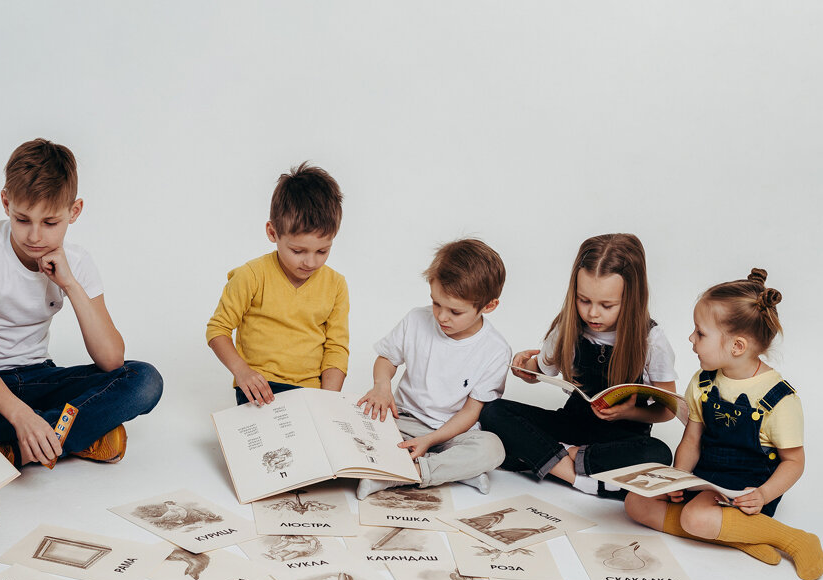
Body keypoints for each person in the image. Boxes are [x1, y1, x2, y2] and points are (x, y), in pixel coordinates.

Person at [0, 139, 163, 480]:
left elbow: (111, 360)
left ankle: (14, 449)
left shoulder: (78, 262)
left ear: (74, 212)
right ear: (6, 202)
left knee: (145, 380)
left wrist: (70, 284)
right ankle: (71, 437)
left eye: (50, 223)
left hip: (40, 377)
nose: (34, 236)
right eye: (23, 219)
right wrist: (21, 416)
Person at [625, 269, 823, 580]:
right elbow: (691, 440)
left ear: (737, 346)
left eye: (700, 333)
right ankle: (741, 537)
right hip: (706, 478)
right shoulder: (703, 382)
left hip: (748, 491)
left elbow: (794, 462)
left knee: (695, 518)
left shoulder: (779, 399)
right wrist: (677, 479)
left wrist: (763, 494)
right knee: (635, 503)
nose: (691, 339)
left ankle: (791, 538)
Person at [479, 233, 676, 496]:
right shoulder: (569, 327)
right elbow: (541, 370)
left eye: (607, 305)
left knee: (660, 453)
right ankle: (582, 477)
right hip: (573, 425)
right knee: (493, 412)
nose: (592, 313)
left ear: (632, 298)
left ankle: (550, 458)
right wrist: (525, 367)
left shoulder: (651, 340)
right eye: (584, 300)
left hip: (619, 439)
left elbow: (668, 411)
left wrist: (628, 413)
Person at [355, 238, 510, 498]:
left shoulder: (495, 350)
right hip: (403, 420)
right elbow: (387, 359)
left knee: (492, 448)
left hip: (452, 433)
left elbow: (471, 411)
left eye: (455, 312)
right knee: (352, 422)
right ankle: (454, 470)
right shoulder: (417, 319)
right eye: (436, 303)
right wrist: (382, 386)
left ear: (488, 306)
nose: (441, 316)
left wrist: (430, 440)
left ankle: (406, 473)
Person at [206, 162, 348, 405]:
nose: (311, 262)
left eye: (322, 251)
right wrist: (242, 372)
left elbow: (336, 348)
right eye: (298, 251)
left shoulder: (336, 285)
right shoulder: (251, 275)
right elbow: (217, 329)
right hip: (261, 387)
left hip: (311, 391)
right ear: (273, 233)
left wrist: (328, 401)